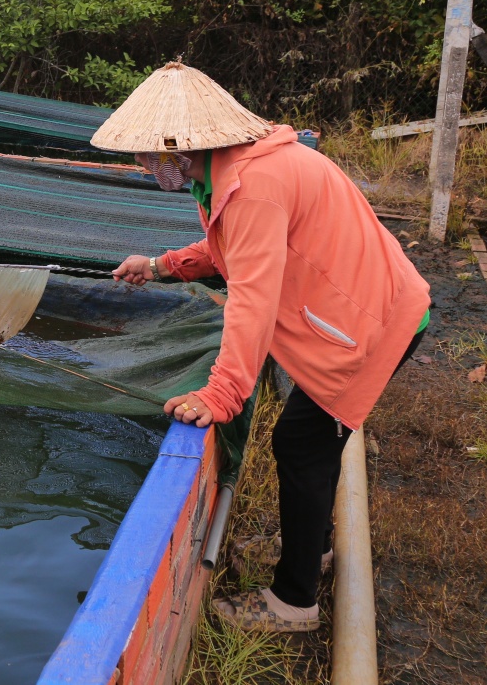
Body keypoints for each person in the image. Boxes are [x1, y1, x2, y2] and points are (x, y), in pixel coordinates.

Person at [97, 61, 430, 633]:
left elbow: (250, 296)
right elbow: (226, 246)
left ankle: (293, 601)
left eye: (153, 154)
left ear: (182, 147)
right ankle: (315, 546)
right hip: (371, 305)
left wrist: (222, 393)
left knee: (302, 445)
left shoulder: (254, 187)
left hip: (374, 325)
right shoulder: (237, 169)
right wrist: (157, 266)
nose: (146, 165)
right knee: (311, 446)